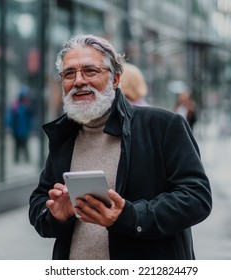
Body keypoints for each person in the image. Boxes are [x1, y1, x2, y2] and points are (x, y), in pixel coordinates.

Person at [29, 34, 212, 260]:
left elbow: (196, 198)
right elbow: (39, 203)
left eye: (90, 71)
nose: (78, 81)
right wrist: (55, 215)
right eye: (69, 73)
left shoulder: (163, 126)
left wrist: (129, 216)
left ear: (115, 79)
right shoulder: (64, 135)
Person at [7, 86, 33, 163]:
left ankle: (26, 159)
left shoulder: (27, 106)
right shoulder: (16, 106)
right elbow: (11, 118)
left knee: (25, 145)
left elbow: (30, 117)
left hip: (24, 130)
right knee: (17, 146)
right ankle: (17, 159)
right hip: (17, 130)